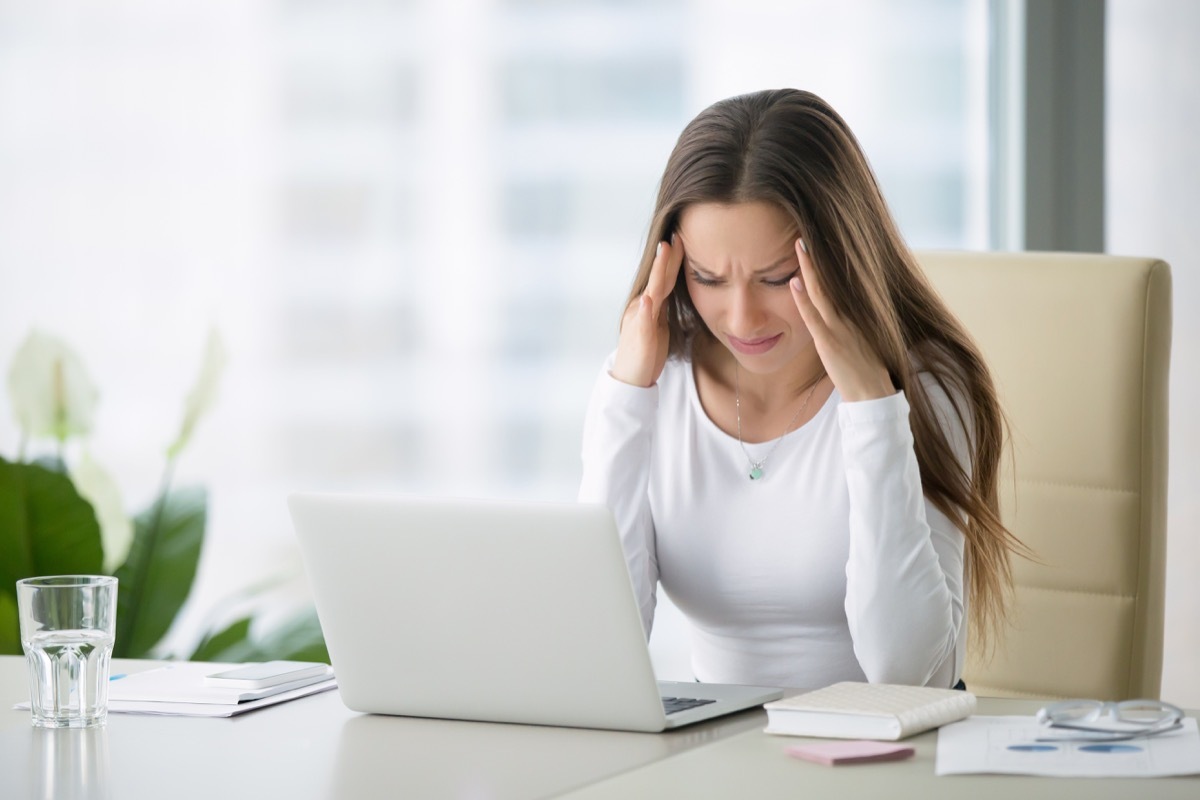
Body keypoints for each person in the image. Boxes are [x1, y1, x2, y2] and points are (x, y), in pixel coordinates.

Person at [578, 88, 1024, 691]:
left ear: (840, 257)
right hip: (717, 764)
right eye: (708, 278)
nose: (740, 319)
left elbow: (911, 672)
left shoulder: (924, 388)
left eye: (776, 278)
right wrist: (628, 396)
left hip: (880, 764)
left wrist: (873, 409)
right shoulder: (654, 380)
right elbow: (600, 649)